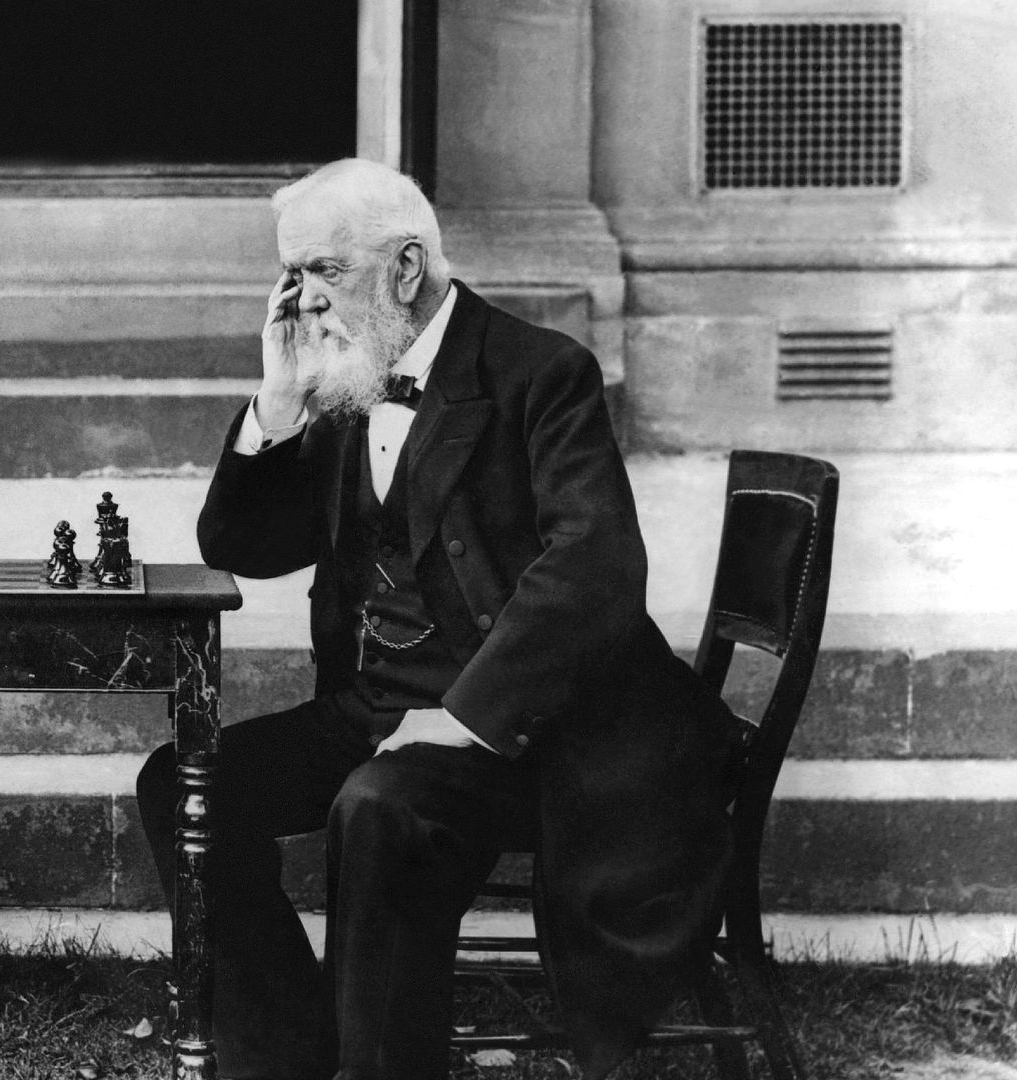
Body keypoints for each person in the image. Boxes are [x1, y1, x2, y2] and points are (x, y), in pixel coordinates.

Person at [135, 159, 736, 1080]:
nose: (302, 300)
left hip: (530, 736)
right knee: (185, 785)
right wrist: (277, 402)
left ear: (405, 269)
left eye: (323, 272)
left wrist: (461, 719)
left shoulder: (542, 372)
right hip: (376, 711)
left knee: (378, 805)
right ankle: (293, 1047)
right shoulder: (346, 375)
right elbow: (240, 542)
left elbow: (596, 570)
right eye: (291, 275)